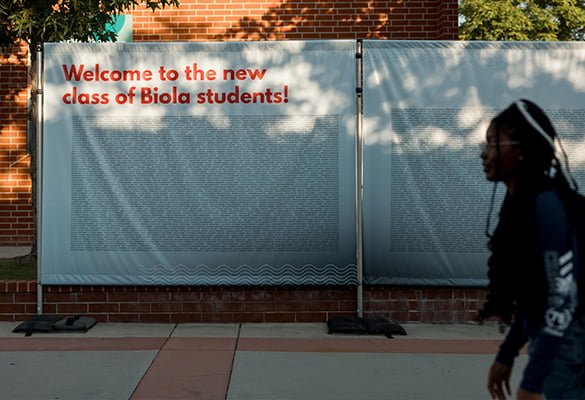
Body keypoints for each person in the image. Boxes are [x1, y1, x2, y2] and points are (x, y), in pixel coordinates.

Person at [478, 99, 585, 400]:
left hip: (570, 347)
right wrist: (507, 353)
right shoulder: (520, 204)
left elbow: (562, 301)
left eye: (493, 144)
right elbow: (534, 296)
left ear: (521, 149)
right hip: (556, 342)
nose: (484, 154)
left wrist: (532, 384)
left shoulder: (547, 204)